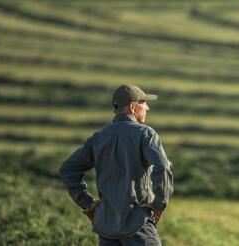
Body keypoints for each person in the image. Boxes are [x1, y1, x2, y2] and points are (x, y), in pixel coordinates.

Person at [59, 84, 173, 246]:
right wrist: (158, 204)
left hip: (106, 228)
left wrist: (88, 203)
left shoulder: (98, 138)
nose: (147, 107)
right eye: (144, 103)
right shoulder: (146, 134)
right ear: (133, 107)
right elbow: (163, 168)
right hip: (137, 224)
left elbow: (67, 170)